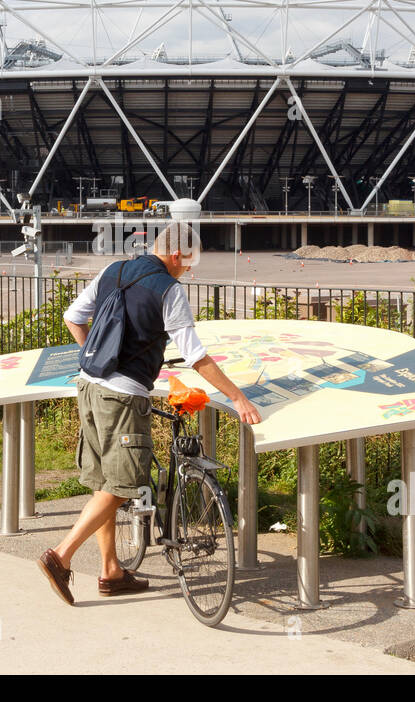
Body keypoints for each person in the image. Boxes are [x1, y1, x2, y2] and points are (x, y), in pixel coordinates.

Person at [37, 222, 262, 604]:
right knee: (122, 484)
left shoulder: (115, 270)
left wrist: (97, 354)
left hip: (88, 385)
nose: (188, 269)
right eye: (188, 262)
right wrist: (239, 397)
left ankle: (110, 572)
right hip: (122, 396)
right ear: (177, 255)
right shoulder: (169, 290)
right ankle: (61, 555)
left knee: (105, 483)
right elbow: (195, 356)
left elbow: (73, 316)